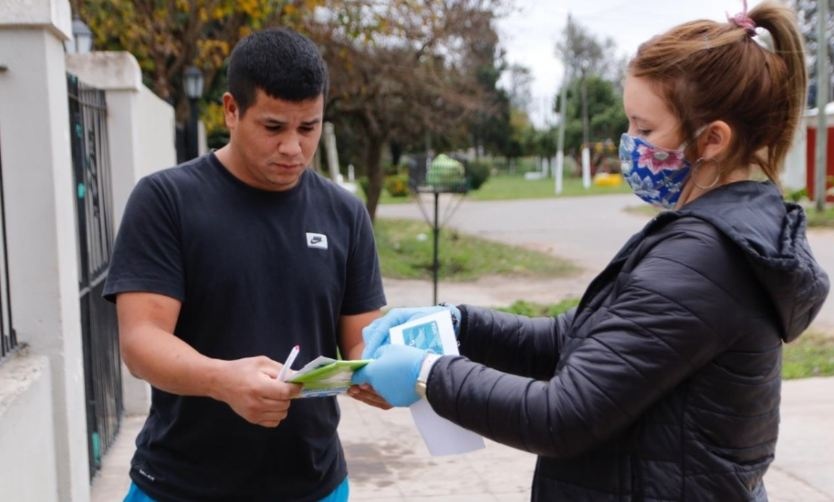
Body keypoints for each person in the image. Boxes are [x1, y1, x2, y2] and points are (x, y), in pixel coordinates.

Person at [351, 2, 831, 500]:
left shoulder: (707, 260)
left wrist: (427, 373)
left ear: (712, 140)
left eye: (645, 130)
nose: (630, 143)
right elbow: (578, 338)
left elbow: (561, 415)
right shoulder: (705, 236)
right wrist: (459, 324)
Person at [104, 27, 386, 502]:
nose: (293, 148)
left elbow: (360, 336)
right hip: (180, 485)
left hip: (314, 485)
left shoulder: (344, 212)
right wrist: (221, 381)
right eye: (274, 127)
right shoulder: (166, 200)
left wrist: (378, 372)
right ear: (232, 110)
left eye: (308, 127)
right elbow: (140, 342)